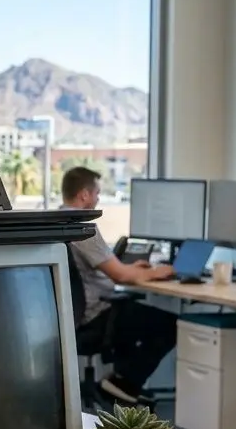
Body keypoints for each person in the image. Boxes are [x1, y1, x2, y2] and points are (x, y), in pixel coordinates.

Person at [61, 166, 178, 406]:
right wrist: (160, 271)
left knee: (135, 314)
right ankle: (123, 384)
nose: (97, 199)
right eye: (96, 194)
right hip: (96, 316)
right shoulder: (83, 226)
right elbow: (120, 277)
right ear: (84, 195)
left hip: (73, 318)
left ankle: (121, 385)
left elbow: (118, 271)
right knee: (170, 325)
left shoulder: (57, 222)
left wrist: (137, 269)